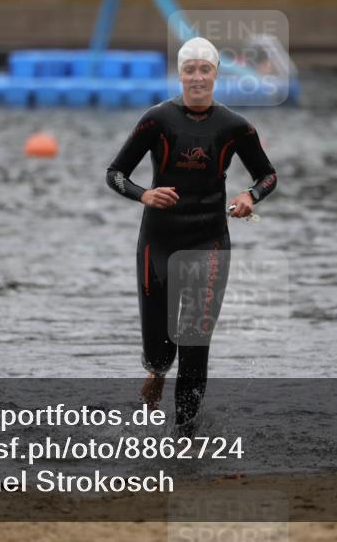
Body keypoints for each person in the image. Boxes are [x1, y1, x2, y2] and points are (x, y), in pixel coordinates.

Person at [105, 37, 277, 435]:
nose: (197, 77)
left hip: (209, 239)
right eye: (189, 69)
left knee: (196, 341)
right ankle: (157, 371)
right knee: (159, 347)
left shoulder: (234, 126)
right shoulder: (157, 120)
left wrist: (250, 197)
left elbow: (267, 175)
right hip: (159, 241)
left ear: (216, 74)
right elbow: (115, 173)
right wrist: (144, 194)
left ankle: (185, 435)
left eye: (205, 69)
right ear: (179, 75)